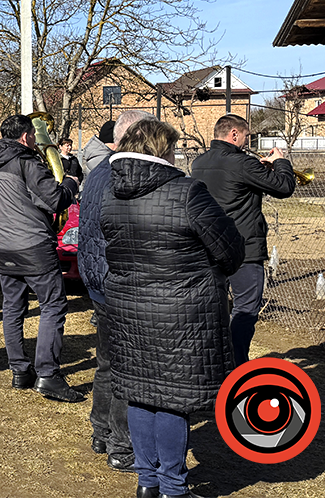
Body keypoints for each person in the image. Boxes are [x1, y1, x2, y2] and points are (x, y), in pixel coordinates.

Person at [102, 119, 244, 498]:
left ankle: (147, 482)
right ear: (161, 151)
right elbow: (230, 251)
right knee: (172, 400)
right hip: (182, 313)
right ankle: (173, 488)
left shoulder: (108, 194)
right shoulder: (187, 192)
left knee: (140, 392)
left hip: (128, 309)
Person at [0, 114, 82, 403]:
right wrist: (71, 183)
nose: (37, 140)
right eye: (35, 136)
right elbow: (55, 199)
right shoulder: (27, 161)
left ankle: (19, 371)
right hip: (34, 246)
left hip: (4, 246)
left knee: (12, 307)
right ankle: (47, 375)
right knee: (53, 306)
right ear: (26, 137)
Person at [77, 110, 155, 475]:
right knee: (128, 368)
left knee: (108, 361)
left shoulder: (98, 172)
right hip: (119, 283)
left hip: (97, 278)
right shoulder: (123, 175)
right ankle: (122, 447)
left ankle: (100, 430)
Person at [190, 113, 296, 366]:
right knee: (246, 307)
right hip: (244, 248)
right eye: (246, 136)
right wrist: (281, 163)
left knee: (212, 309)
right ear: (234, 134)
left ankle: (212, 361)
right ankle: (237, 364)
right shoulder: (242, 162)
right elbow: (284, 188)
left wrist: (260, 172)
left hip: (208, 246)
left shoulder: (199, 163)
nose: (247, 141)